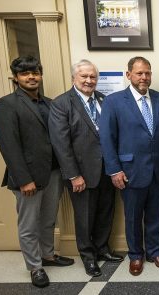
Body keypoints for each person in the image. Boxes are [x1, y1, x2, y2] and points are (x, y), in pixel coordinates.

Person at [0, 56, 74, 288]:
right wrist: (23, 179)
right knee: (28, 225)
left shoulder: (49, 103)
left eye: (35, 72)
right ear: (16, 78)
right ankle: (34, 267)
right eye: (25, 73)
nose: (31, 77)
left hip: (54, 173)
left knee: (48, 219)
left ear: (40, 74)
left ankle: (48, 255)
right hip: (28, 177)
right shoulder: (6, 104)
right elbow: (8, 145)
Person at [48, 60, 124, 277]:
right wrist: (73, 175)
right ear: (74, 78)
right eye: (84, 77)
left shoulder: (104, 100)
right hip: (81, 174)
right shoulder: (62, 104)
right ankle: (88, 258)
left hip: (107, 170)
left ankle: (102, 249)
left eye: (93, 77)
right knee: (85, 217)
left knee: (105, 213)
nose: (89, 81)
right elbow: (61, 145)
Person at [99, 56, 159, 276]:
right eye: (139, 73)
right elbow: (107, 138)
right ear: (128, 74)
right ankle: (136, 256)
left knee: (155, 214)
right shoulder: (113, 102)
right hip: (129, 172)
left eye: (147, 73)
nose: (144, 77)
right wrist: (114, 170)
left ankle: (154, 252)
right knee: (132, 217)